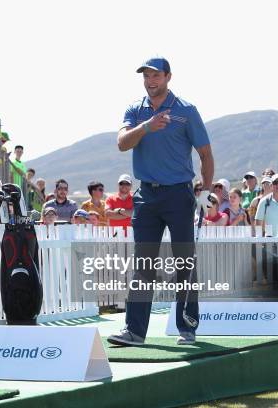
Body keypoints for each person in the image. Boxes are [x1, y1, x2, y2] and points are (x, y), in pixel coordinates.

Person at [109, 57, 214, 346]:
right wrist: (146, 127)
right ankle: (135, 332)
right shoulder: (135, 110)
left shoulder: (186, 111)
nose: (150, 80)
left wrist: (204, 191)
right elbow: (122, 143)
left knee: (183, 262)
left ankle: (188, 327)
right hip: (146, 197)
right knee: (143, 264)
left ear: (168, 77)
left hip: (179, 194)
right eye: (146, 76)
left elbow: (205, 153)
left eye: (156, 75)